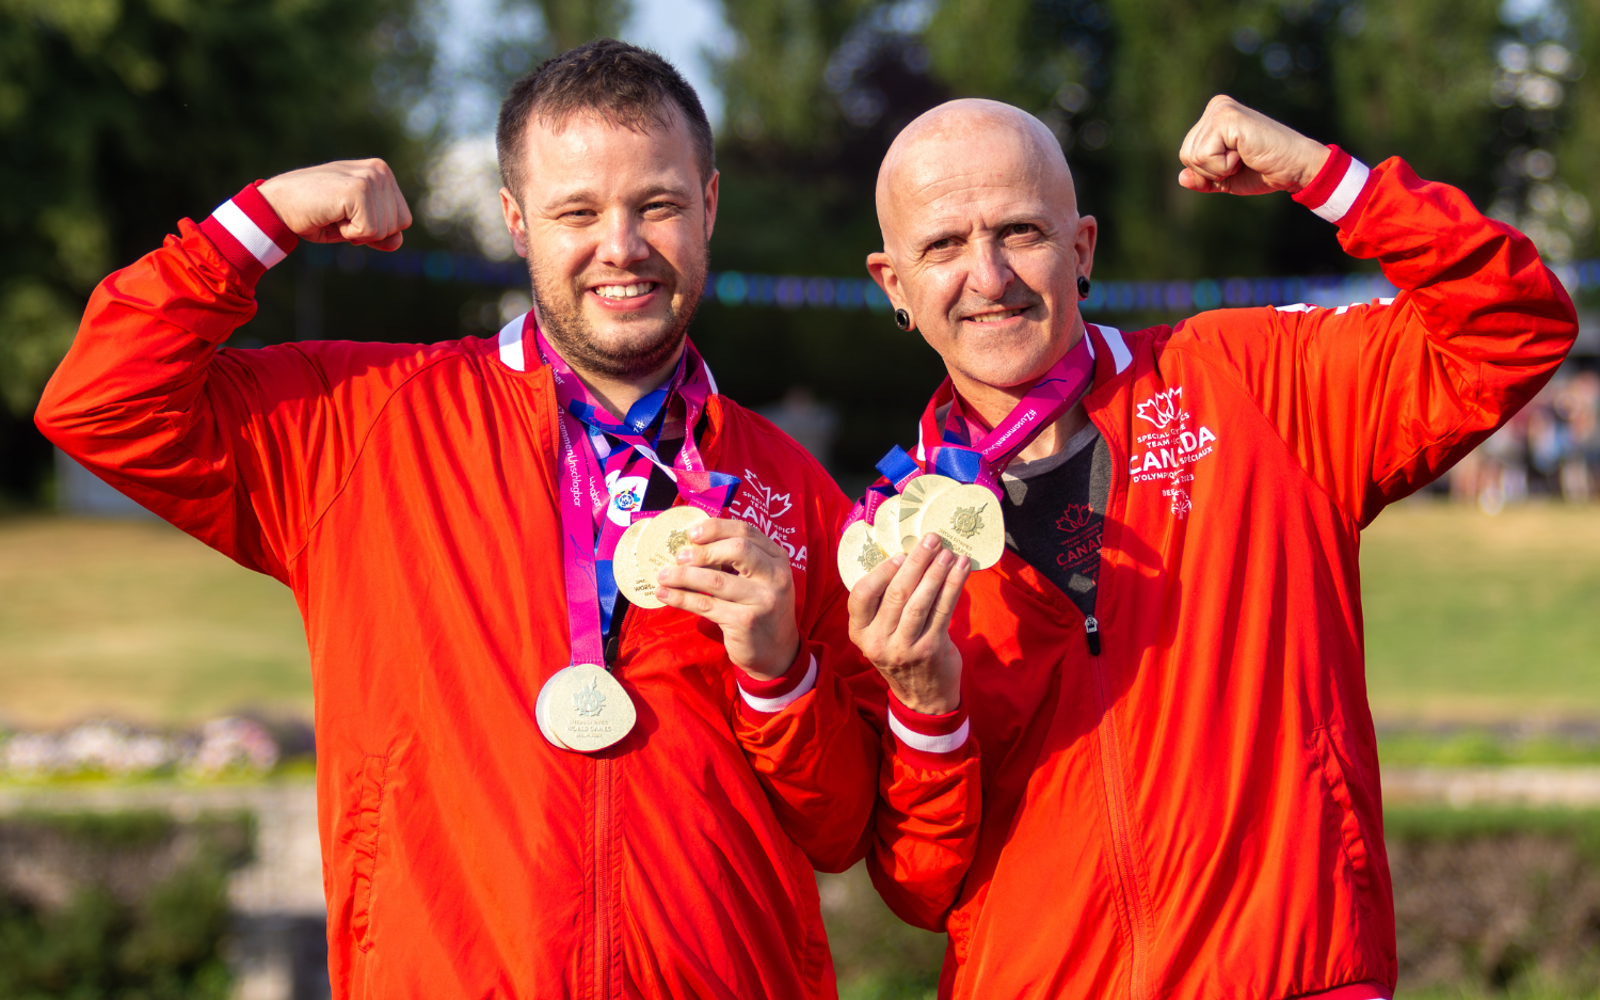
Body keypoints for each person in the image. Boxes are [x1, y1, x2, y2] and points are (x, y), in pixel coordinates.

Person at [35, 40, 880, 999]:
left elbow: (843, 828)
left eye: (658, 205)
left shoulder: (793, 492)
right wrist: (260, 220)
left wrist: (783, 679)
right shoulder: (365, 421)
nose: (623, 246)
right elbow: (101, 403)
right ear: (516, 222)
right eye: (576, 211)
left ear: (711, 206)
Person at [844, 96, 1578, 999]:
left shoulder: (1250, 382)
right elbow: (921, 885)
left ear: (1081, 250)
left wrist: (1325, 177)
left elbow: (1513, 327)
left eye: (1020, 231)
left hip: (1293, 976)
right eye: (944, 246)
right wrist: (926, 708)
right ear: (893, 285)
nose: (988, 275)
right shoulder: (884, 539)